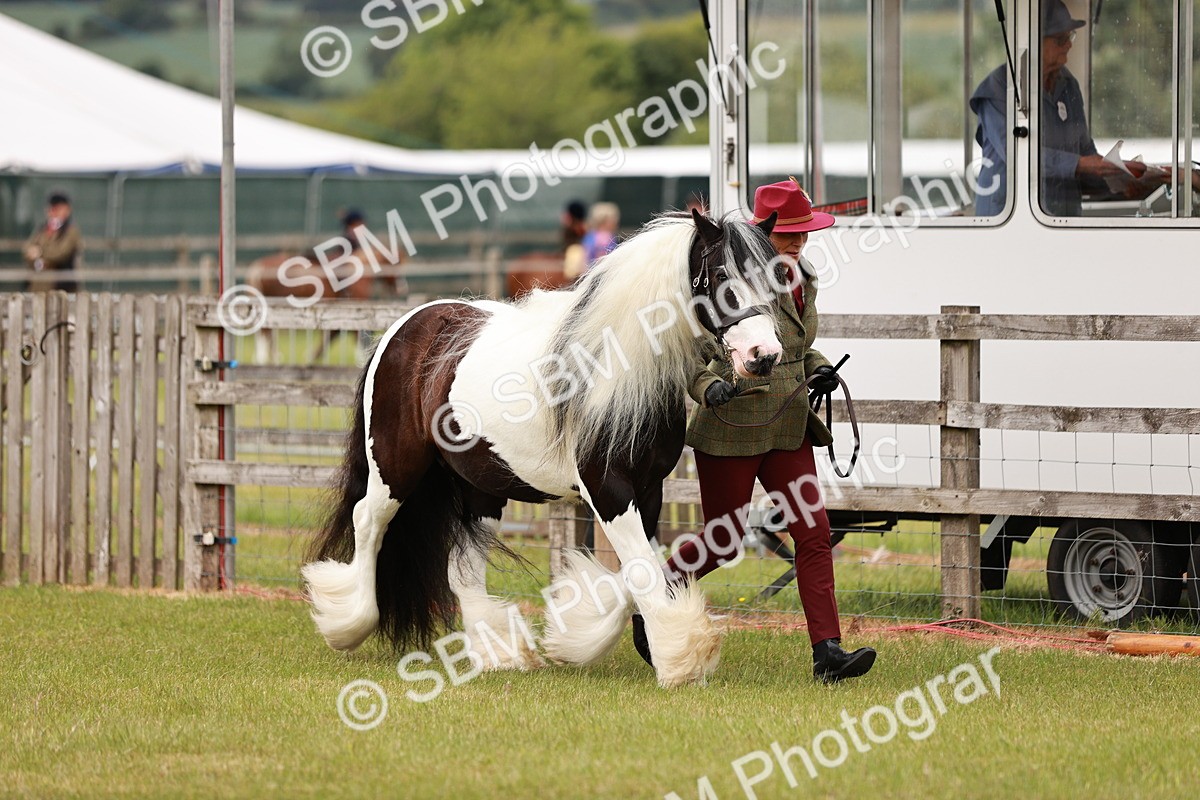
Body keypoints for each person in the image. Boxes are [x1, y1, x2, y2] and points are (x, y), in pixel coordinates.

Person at [633, 178, 877, 684]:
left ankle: (828, 653)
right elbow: (691, 355)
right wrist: (707, 388)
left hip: (788, 427)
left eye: (805, 233)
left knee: (814, 533)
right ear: (764, 234)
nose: (800, 242)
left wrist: (820, 368)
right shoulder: (730, 287)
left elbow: (800, 348)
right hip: (733, 426)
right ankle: (656, 595)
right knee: (723, 541)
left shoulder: (804, 277)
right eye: (790, 234)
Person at [971, 0, 1161, 216]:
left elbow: (1085, 151)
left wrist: (1118, 181)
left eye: (1070, 37)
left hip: (1061, 218)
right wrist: (1085, 165)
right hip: (1008, 218)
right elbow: (1015, 154)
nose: (1069, 45)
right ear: (1034, 43)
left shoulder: (1068, 85)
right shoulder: (998, 88)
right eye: (1061, 39)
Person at [23, 191, 82, 291]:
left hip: (61, 287)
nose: (54, 213)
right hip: (37, 285)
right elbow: (28, 249)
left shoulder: (71, 231)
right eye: (52, 209)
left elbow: (60, 253)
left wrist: (40, 253)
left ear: (67, 210)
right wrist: (34, 255)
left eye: (58, 209)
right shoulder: (42, 230)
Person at [580, 201, 620, 271]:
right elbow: (602, 260)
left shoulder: (589, 236)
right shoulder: (605, 236)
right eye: (613, 219)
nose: (616, 222)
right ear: (604, 220)